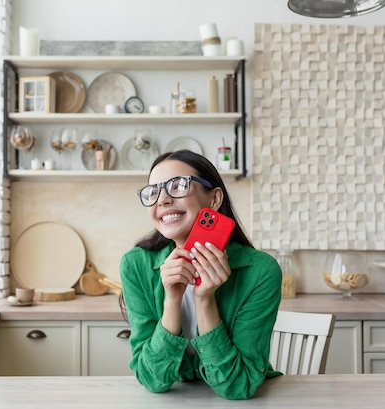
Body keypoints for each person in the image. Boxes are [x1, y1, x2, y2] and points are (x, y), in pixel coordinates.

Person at [119, 150, 282, 400]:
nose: (162, 200)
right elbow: (152, 379)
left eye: (178, 185)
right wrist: (172, 299)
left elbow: (238, 386)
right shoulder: (135, 265)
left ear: (214, 198)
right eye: (153, 192)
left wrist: (205, 299)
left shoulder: (260, 272)